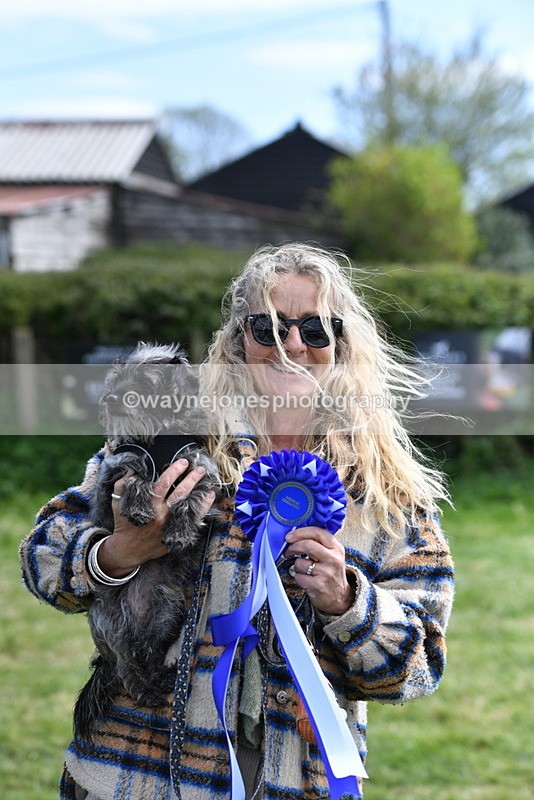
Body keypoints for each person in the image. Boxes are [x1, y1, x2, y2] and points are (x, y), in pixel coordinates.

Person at [19, 243, 455, 800]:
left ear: (343, 346)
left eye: (316, 329)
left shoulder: (388, 493)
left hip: (295, 783)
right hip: (130, 777)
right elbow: (42, 559)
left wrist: (348, 601)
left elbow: (418, 668)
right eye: (268, 328)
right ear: (237, 342)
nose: (293, 344)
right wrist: (120, 554)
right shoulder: (170, 438)